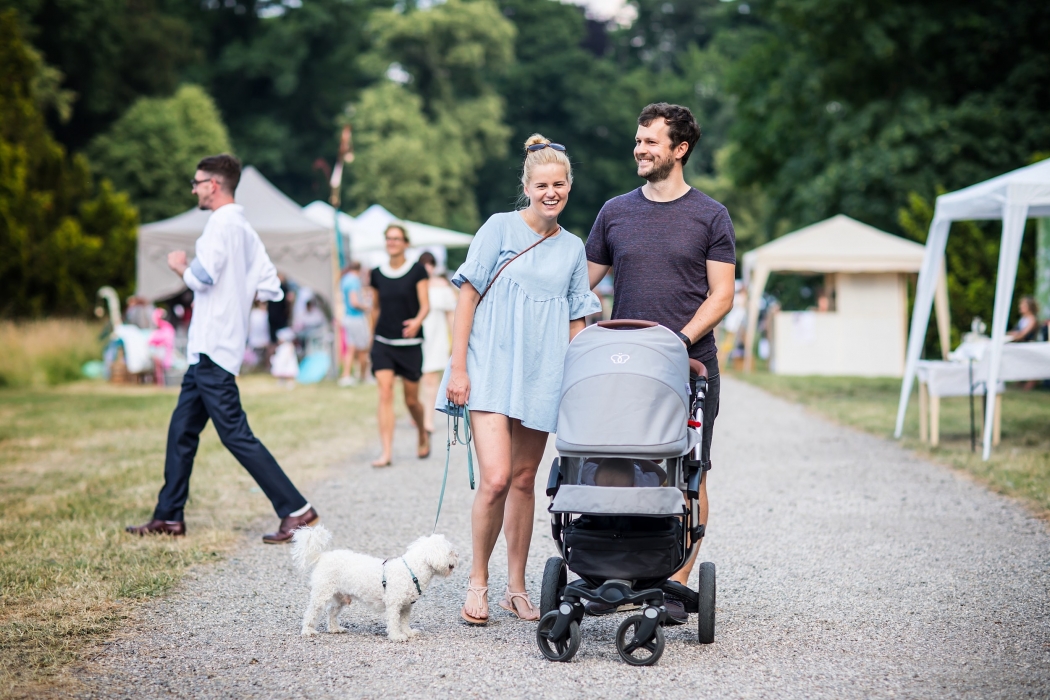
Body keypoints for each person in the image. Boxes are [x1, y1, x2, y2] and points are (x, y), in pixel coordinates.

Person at [439, 134, 602, 625]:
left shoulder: (573, 248)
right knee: (494, 479)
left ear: (569, 187)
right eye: (541, 185)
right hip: (490, 367)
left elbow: (579, 319)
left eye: (559, 184)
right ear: (527, 187)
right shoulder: (498, 228)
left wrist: (577, 380)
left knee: (526, 479)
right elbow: (466, 296)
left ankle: (516, 586)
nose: (550, 192)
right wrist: (459, 367)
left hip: (542, 374)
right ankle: (478, 581)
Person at [586, 103, 736, 623]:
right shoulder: (614, 211)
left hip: (690, 369)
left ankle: (676, 582)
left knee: (690, 474)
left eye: (651, 142)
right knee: (613, 465)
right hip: (624, 369)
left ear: (680, 149)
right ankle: (617, 564)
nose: (639, 149)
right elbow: (580, 287)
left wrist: (677, 342)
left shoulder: (711, 215)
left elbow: (721, 296)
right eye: (637, 140)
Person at [126, 154, 319, 544]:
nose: (193, 188)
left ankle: (297, 510)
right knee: (182, 431)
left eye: (196, 182)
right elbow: (271, 285)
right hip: (210, 350)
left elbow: (203, 276)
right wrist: (239, 298)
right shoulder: (245, 229)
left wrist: (181, 266)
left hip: (213, 349)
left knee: (235, 434)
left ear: (214, 184)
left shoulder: (220, 224)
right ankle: (169, 516)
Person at [369, 224, 430, 466]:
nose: (392, 242)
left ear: (406, 243)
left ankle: (422, 432)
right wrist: (370, 336)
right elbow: (375, 307)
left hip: (410, 342)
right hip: (383, 340)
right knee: (384, 393)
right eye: (388, 239)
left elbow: (425, 305)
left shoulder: (417, 271)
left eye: (396, 238)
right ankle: (386, 452)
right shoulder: (376, 273)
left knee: (411, 400)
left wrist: (417, 321)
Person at [418, 251, 457, 433]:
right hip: (418, 336)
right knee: (417, 378)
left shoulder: (442, 286)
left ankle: (427, 420)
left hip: (437, 336)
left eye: (430, 263)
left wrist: (454, 340)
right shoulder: (415, 286)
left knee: (430, 378)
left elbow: (451, 316)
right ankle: (419, 412)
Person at [338, 261, 372, 387]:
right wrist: (367, 307)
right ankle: (364, 376)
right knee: (363, 348)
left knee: (351, 348)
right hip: (356, 318)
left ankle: (346, 375)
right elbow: (354, 302)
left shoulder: (344, 279)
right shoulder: (354, 281)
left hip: (347, 317)